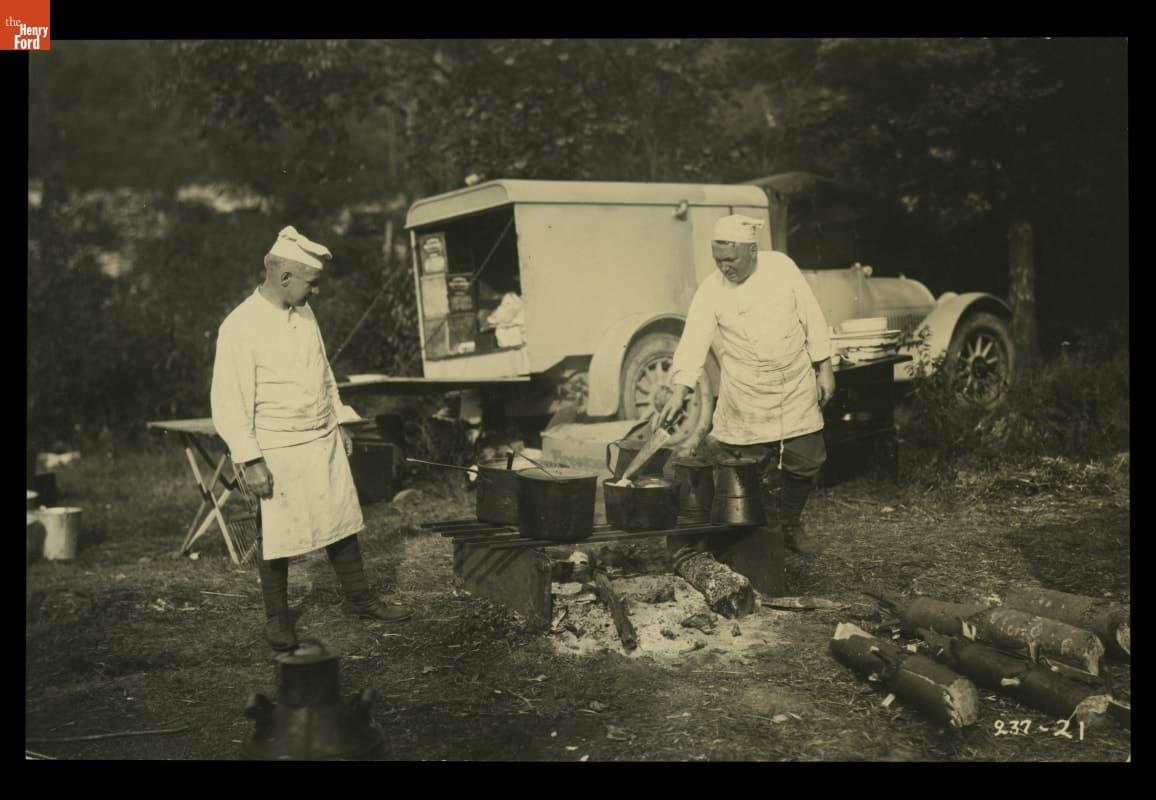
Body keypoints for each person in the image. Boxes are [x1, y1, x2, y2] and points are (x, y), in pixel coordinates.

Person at [211, 225, 413, 653]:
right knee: (278, 534)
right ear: (285, 277)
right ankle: (277, 619)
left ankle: (360, 599)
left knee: (339, 521)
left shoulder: (303, 313)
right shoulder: (240, 326)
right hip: (277, 446)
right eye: (312, 283)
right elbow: (229, 400)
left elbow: (322, 372)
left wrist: (338, 420)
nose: (316, 292)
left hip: (319, 436)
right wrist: (251, 460)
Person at [656, 214, 836, 558]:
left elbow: (812, 317)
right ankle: (751, 536)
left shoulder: (782, 269)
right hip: (746, 392)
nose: (725, 268)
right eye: (718, 261)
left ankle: (790, 524)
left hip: (794, 383)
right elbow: (693, 340)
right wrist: (680, 388)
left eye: (732, 260)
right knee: (744, 468)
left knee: (806, 460)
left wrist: (824, 367)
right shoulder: (711, 290)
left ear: (753, 250)